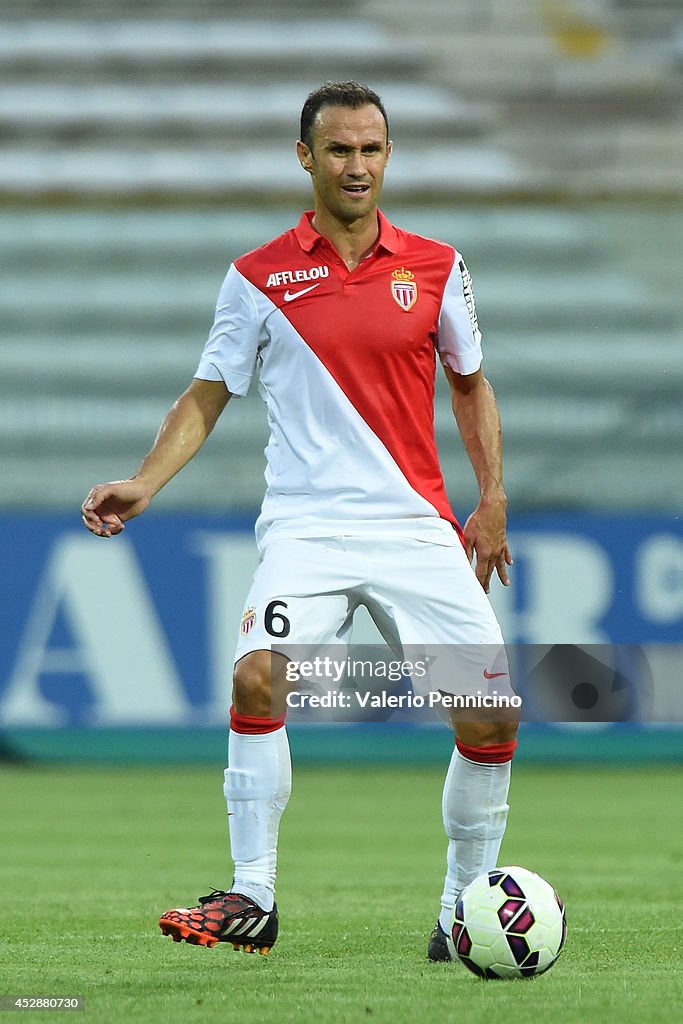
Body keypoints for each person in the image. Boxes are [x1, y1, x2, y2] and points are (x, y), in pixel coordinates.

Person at [81, 81, 517, 960]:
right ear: (305, 157)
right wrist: (147, 479)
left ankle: (460, 912)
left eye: (372, 150)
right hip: (306, 530)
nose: (357, 166)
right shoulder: (258, 276)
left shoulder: (437, 266)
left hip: (414, 526)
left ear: (388, 156)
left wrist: (491, 499)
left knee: (490, 716)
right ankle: (253, 894)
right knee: (255, 678)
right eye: (339, 150)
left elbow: (469, 384)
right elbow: (207, 396)